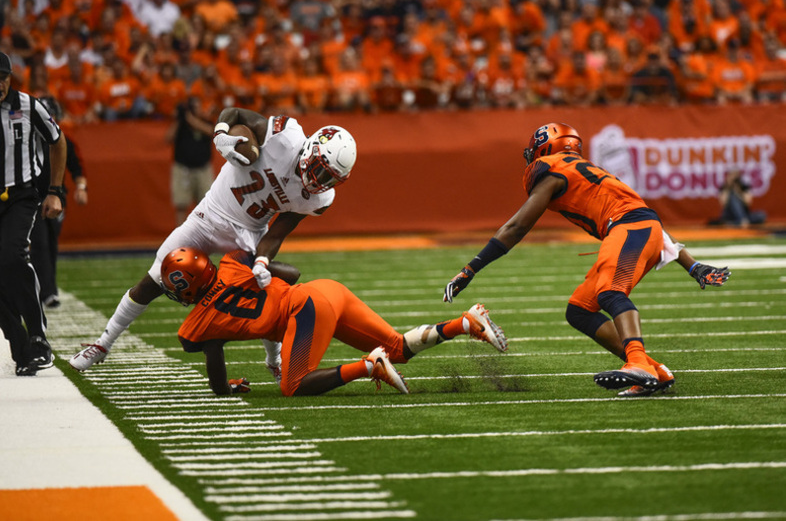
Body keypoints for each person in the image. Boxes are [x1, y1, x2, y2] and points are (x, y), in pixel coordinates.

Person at [69, 108, 358, 382]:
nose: (320, 182)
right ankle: (103, 345)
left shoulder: (320, 199)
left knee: (268, 292)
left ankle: (275, 360)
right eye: (320, 171)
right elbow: (235, 113)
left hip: (250, 232)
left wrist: (261, 262)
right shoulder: (285, 136)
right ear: (311, 150)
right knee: (156, 278)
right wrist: (221, 133)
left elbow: (278, 233)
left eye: (330, 179)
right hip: (210, 216)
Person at [442, 123, 731, 397]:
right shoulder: (587, 170)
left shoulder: (553, 169)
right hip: (641, 229)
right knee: (580, 309)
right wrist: (692, 265)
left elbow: (516, 228)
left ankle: (638, 364)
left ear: (546, 148)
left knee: (610, 292)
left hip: (629, 228)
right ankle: (655, 371)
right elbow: (648, 220)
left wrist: (470, 269)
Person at [160, 247, 508, 396]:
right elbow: (294, 273)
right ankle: (465, 323)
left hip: (305, 309)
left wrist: (227, 389)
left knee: (293, 385)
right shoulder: (233, 262)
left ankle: (368, 366)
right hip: (325, 290)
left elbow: (214, 363)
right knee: (398, 349)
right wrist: (261, 266)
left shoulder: (196, 327)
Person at [0, 49, 67, 376]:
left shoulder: (29, 105)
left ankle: (39, 337)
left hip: (21, 194)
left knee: (12, 258)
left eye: (4, 77)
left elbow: (58, 140)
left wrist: (54, 191)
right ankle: (22, 350)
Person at [30, 96, 89, 309]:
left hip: (56, 197)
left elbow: (77, 168)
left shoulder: (65, 140)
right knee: (39, 244)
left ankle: (47, 289)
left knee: (51, 243)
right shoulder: (26, 139)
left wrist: (81, 188)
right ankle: (46, 292)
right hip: (31, 197)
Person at [167, 95, 214, 227]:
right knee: (181, 204)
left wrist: (190, 118)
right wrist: (179, 119)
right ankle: (181, 241)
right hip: (183, 168)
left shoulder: (208, 121)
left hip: (203, 169)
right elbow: (168, 138)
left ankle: (206, 239)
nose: (195, 109)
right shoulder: (181, 124)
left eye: (197, 106)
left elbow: (211, 131)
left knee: (207, 206)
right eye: (192, 107)